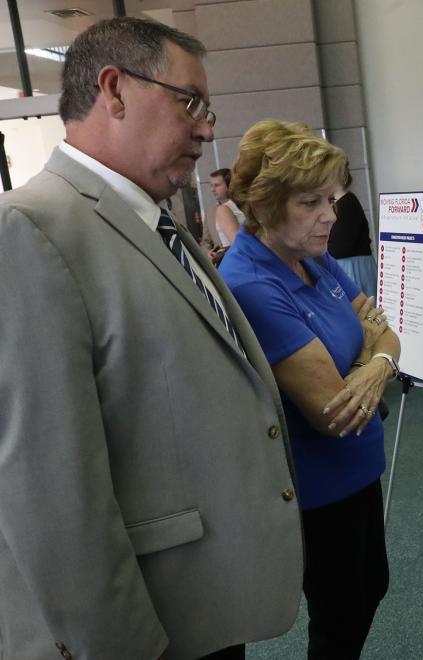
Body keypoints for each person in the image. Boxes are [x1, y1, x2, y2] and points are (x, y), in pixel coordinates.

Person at [0, 18, 303, 660]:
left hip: (199, 606)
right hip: (144, 631)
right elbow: (52, 495)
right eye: (190, 101)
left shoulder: (150, 220)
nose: (208, 127)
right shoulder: (29, 230)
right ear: (113, 90)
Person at [219, 119, 400, 659]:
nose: (331, 216)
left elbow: (384, 330)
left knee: (370, 588)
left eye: (332, 198)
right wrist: (376, 357)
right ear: (265, 205)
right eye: (311, 202)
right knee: (340, 613)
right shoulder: (251, 281)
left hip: (359, 469)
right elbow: (335, 412)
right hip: (317, 486)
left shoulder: (311, 257)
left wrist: (376, 364)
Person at [326, 178, 376, 296]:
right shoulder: (341, 202)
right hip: (350, 268)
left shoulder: (347, 203)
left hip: (354, 269)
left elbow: (341, 248)